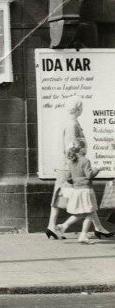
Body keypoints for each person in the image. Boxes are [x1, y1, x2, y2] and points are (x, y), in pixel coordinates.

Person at [46, 97, 112, 239]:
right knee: (83, 198)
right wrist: (79, 165)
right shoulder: (72, 125)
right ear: (78, 109)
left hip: (67, 166)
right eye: (81, 107)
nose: (82, 109)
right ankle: (56, 226)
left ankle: (53, 226)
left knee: (64, 196)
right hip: (69, 167)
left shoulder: (71, 123)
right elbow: (71, 148)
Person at [56, 141, 101, 244]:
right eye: (85, 147)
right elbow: (89, 175)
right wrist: (97, 169)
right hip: (86, 190)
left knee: (81, 213)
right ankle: (83, 235)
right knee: (90, 213)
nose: (86, 149)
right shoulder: (85, 161)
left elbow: (69, 178)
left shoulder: (72, 162)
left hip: (77, 190)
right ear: (81, 149)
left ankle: (64, 226)